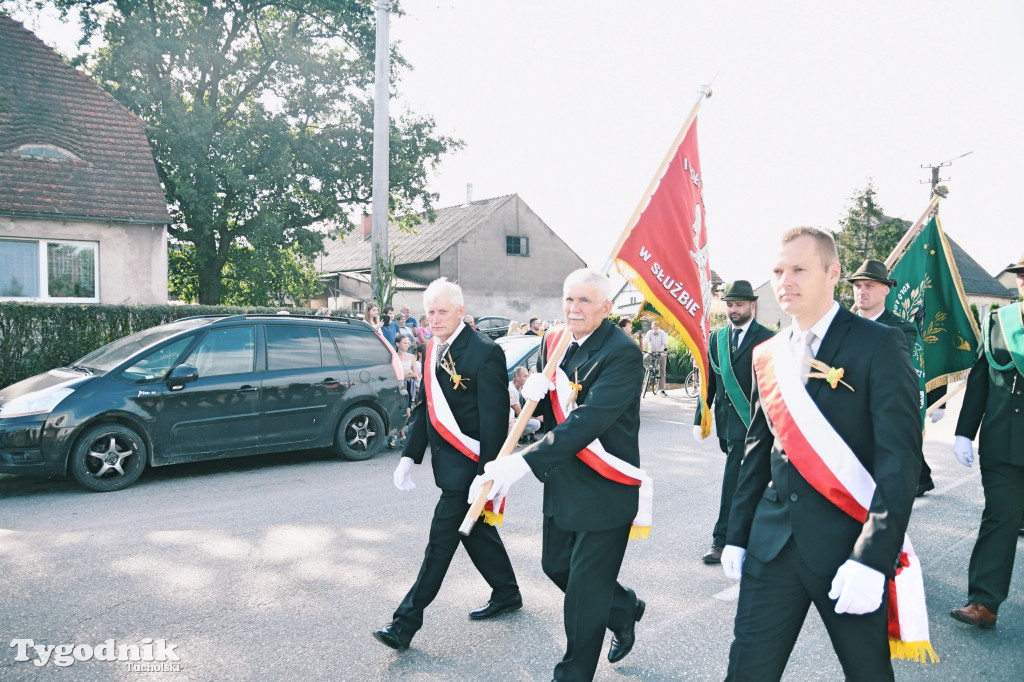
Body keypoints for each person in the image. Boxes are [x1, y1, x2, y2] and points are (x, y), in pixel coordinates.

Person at [721, 227, 921, 681]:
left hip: (848, 546)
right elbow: (758, 449)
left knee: (867, 673)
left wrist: (873, 558)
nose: (784, 280)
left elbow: (899, 460)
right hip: (772, 547)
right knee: (747, 671)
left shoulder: (879, 344)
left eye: (799, 269)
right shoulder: (767, 354)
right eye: (777, 271)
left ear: (833, 274)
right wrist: (737, 533)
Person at [470, 268, 648, 681]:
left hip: (606, 488)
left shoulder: (621, 353)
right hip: (565, 481)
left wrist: (520, 462)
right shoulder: (555, 342)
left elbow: (587, 422)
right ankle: (623, 609)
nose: (574, 308)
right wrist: (535, 394)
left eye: (585, 301)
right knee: (557, 568)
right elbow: (554, 415)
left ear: (606, 307)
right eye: (569, 299)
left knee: (584, 595)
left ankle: (572, 673)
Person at [372, 278, 522, 651]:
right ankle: (507, 592)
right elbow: (427, 408)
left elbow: (493, 417)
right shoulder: (432, 347)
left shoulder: (484, 352)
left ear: (460, 310)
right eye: (430, 312)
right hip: (449, 467)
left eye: (442, 311)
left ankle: (404, 624)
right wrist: (409, 456)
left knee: (439, 545)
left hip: (469, 470)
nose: (435, 319)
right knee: (474, 532)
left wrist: (487, 473)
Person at [949, 254, 1024, 629]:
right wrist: (964, 431)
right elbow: (980, 379)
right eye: (1022, 276)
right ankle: (983, 602)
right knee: (1000, 520)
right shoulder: (999, 321)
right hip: (1003, 443)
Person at [692, 280, 775, 564]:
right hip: (727, 424)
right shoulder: (717, 339)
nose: (734, 309)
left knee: (734, 483)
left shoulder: (768, 338)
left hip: (755, 425)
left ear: (752, 305)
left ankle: (723, 540)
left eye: (739, 304)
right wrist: (699, 416)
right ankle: (751, 537)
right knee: (746, 481)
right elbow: (711, 382)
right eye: (730, 304)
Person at [848, 258, 939, 496]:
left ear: (886, 289)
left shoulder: (902, 329)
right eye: (857, 286)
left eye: (869, 286)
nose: (862, 291)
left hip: (881, 422)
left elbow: (889, 367)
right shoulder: (843, 327)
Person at [395, 333, 420, 443]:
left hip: (409, 386)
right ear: (397, 344)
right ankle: (401, 435)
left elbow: (415, 374)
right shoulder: (394, 357)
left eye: (408, 343)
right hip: (398, 386)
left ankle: (396, 435)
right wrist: (406, 373)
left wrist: (404, 374)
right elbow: (394, 374)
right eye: (404, 343)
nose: (407, 345)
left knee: (407, 412)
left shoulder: (411, 357)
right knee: (399, 411)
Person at [508, 366, 541, 443]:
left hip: (511, 419)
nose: (527, 378)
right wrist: (537, 416)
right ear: (517, 377)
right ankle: (511, 438)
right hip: (506, 423)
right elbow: (520, 414)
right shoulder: (512, 390)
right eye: (525, 376)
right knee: (536, 423)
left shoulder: (518, 388)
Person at [642, 319, 669, 396]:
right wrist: (643, 349)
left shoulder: (663, 333)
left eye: (658, 325)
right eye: (655, 325)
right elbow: (646, 342)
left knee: (662, 370)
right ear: (652, 327)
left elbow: (665, 344)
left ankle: (662, 390)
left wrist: (664, 352)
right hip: (652, 352)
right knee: (644, 359)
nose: (656, 327)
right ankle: (650, 370)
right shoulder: (649, 333)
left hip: (661, 353)